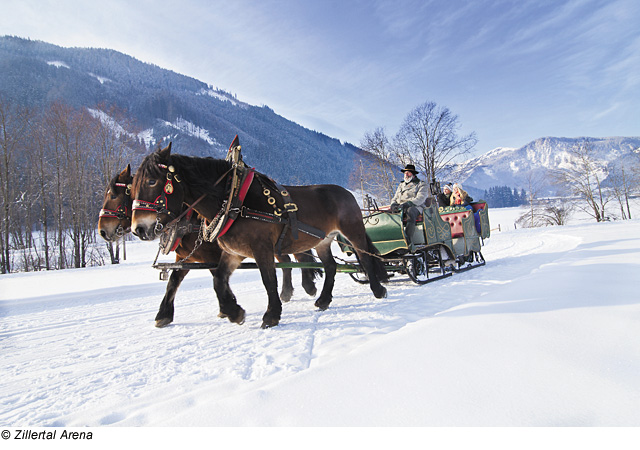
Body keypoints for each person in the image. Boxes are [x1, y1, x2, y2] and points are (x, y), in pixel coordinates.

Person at [389, 164, 428, 245]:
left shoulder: (421, 184)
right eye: (405, 173)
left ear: (413, 174)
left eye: (408, 172)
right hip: (401, 207)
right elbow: (395, 197)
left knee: (410, 211)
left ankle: (408, 240)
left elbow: (420, 198)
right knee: (389, 214)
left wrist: (409, 203)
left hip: (416, 207)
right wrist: (393, 204)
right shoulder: (401, 185)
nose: (406, 174)